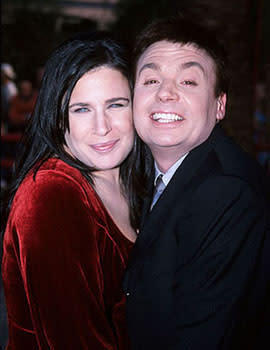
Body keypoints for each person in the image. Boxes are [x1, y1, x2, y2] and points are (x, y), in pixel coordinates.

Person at [123, 15, 270, 349]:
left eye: (188, 82)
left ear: (219, 106)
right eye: (150, 81)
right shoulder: (152, 170)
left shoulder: (226, 193)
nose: (165, 94)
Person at [1, 31, 146, 349]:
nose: (102, 126)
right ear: (57, 117)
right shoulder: (52, 195)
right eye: (81, 109)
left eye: (116, 104)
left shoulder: (138, 181)